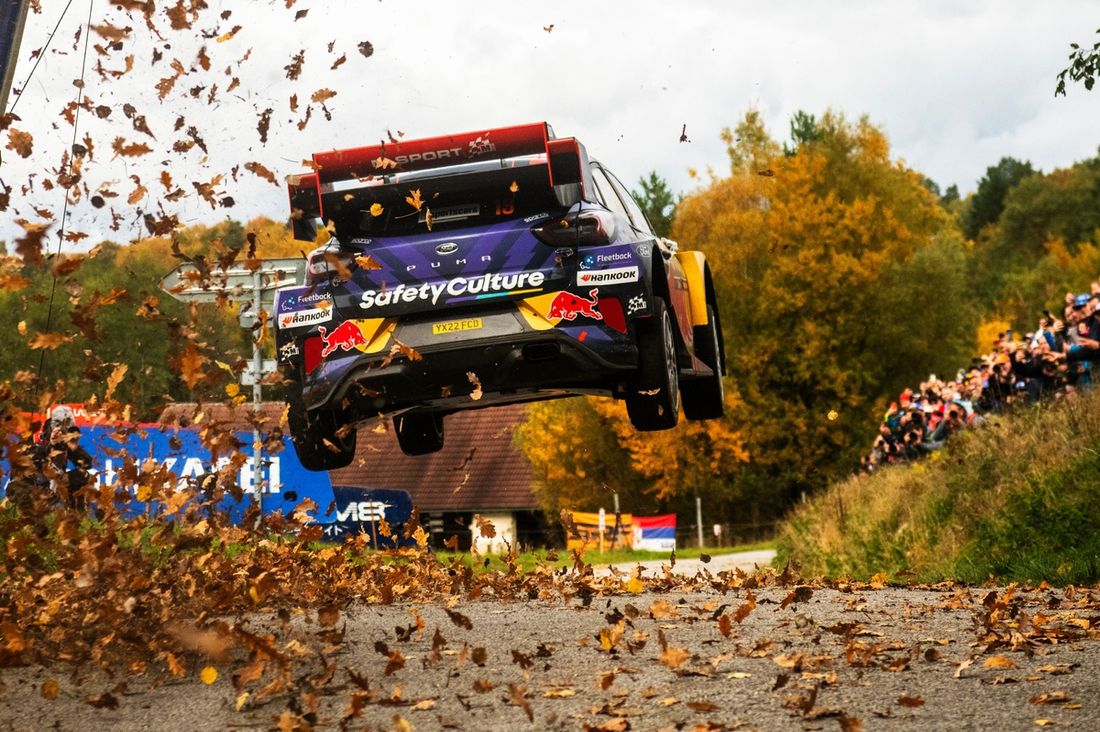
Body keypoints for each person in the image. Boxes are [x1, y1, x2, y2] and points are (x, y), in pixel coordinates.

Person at [34, 405, 93, 510]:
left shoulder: (64, 442)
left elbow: (87, 463)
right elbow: (34, 459)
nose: (63, 431)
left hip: (57, 484)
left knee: (83, 475)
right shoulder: (39, 436)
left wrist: (74, 448)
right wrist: (51, 444)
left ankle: (76, 516)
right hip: (37, 485)